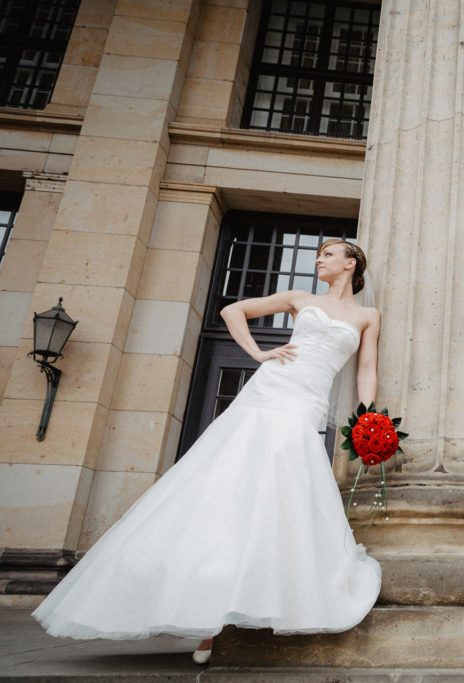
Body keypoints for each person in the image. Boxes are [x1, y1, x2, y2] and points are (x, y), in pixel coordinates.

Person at [32, 238, 382, 663]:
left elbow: (366, 370)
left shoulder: (367, 316)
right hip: (270, 391)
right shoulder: (298, 297)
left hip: (307, 404)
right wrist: (258, 353)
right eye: (318, 253)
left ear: (350, 263)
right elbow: (231, 311)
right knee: (229, 487)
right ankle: (206, 620)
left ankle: (253, 602)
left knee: (282, 493)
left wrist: (368, 419)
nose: (319, 259)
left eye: (327, 254)